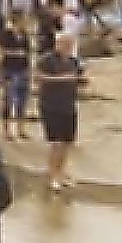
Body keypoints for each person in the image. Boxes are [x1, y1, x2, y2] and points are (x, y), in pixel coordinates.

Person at [37, 32, 84, 189]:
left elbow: (78, 77)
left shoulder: (74, 61)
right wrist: (63, 79)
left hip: (69, 105)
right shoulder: (47, 60)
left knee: (67, 142)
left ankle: (61, 171)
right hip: (51, 105)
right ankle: (53, 173)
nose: (68, 48)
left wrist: (81, 81)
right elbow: (39, 77)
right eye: (65, 44)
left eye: (70, 45)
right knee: (56, 142)